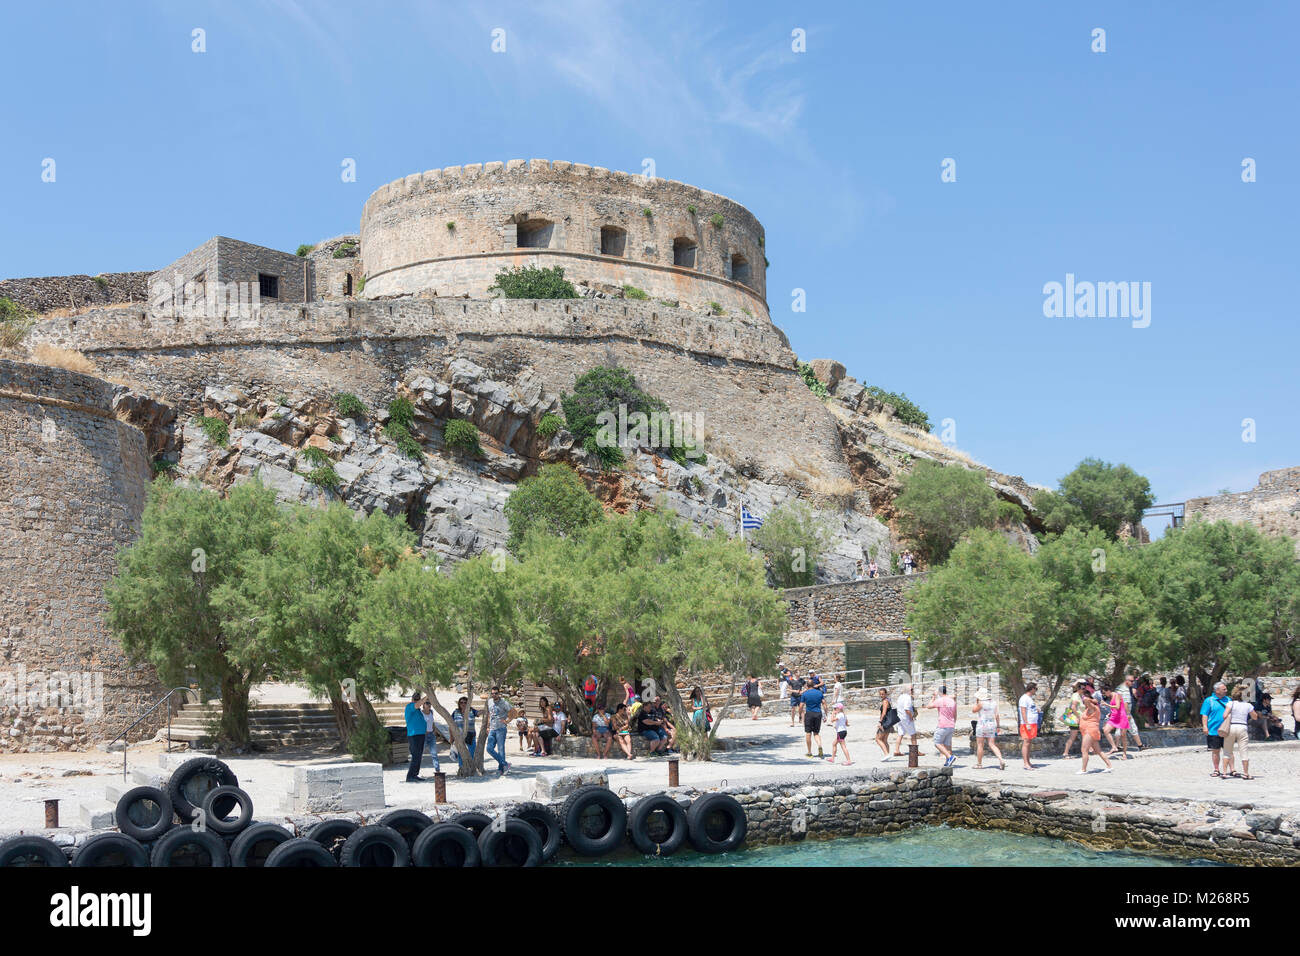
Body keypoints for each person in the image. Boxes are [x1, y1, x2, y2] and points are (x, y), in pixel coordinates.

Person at [1219, 688, 1256, 779]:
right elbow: (1254, 717)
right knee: (1244, 751)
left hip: (1231, 727)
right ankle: (1246, 773)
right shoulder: (1248, 705)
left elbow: (1224, 716)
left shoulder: (1230, 703)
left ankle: (1224, 772)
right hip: (1242, 727)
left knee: (1227, 751)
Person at [1077, 690, 1113, 775]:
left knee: (1084, 749)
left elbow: (1086, 699)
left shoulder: (1092, 707)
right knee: (1098, 750)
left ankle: (1083, 769)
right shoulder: (1089, 709)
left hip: (1090, 730)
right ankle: (1109, 765)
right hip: (1090, 730)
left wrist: (1091, 700)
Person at [1200, 682, 1231, 777]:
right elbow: (1205, 714)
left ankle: (1232, 769)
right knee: (1215, 751)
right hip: (1214, 730)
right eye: (1224, 689)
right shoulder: (1209, 700)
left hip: (1227, 729)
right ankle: (1216, 769)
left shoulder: (1228, 700)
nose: (1226, 691)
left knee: (1228, 751)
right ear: (1217, 690)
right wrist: (1205, 726)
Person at [972, 687, 1005, 770]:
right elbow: (997, 715)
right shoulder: (994, 703)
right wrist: (998, 726)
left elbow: (973, 710)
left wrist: (977, 702)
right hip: (991, 724)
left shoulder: (981, 703)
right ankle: (1001, 759)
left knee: (980, 745)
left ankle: (979, 764)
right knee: (992, 744)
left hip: (982, 725)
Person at [927, 684, 957, 767]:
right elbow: (955, 714)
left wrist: (933, 697)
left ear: (940, 692)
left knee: (937, 742)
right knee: (947, 744)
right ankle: (948, 762)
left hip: (943, 725)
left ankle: (950, 757)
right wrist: (954, 723)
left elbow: (928, 706)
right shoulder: (952, 701)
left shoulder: (940, 700)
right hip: (951, 724)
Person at [483, 686, 511, 776]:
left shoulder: (504, 702)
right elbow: (489, 714)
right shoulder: (489, 702)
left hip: (501, 728)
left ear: (499, 693)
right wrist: (487, 726)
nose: (494, 695)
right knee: (489, 748)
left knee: (501, 749)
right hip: (492, 728)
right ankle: (505, 764)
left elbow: (514, 712)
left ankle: (501, 769)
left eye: (496, 693)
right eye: (492, 693)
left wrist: (507, 721)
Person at [404, 691, 427, 783]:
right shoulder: (410, 706)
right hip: (414, 735)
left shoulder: (418, 710)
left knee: (418, 756)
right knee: (416, 755)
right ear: (412, 699)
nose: (417, 700)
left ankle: (415, 774)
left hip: (420, 735)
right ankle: (410, 776)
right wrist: (427, 697)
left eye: (418, 698)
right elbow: (418, 704)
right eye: (416, 699)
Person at [1118, 674, 1146, 749]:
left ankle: (1140, 745)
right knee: (1131, 728)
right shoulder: (1125, 691)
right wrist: (1127, 714)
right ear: (1126, 681)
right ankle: (1117, 746)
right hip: (1125, 713)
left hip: (1121, 712)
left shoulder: (1121, 688)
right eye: (1131, 681)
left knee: (1130, 728)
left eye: (1133, 681)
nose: (1133, 683)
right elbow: (1125, 703)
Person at [451, 696, 479, 768]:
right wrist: (451, 737)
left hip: (471, 735)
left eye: (465, 702)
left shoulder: (471, 710)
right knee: (461, 753)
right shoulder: (455, 712)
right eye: (461, 702)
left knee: (472, 752)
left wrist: (485, 710)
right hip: (459, 736)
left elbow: (478, 713)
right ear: (459, 704)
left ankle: (471, 767)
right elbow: (450, 724)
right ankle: (461, 767)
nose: (463, 704)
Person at [1104, 683, 1131, 759]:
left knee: (1123, 735)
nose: (1104, 694)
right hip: (1114, 717)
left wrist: (1107, 705)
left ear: (1108, 691)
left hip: (1121, 717)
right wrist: (1110, 713)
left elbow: (1117, 706)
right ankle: (1114, 747)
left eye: (1105, 692)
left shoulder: (1117, 695)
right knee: (1106, 730)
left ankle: (1124, 753)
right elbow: (1114, 708)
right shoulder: (1111, 696)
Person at [1018, 682, 1040, 770]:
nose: (1036, 691)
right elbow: (1023, 711)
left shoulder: (1029, 698)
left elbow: (1030, 709)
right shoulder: (1024, 698)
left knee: (1029, 742)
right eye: (1036, 689)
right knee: (1026, 742)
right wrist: (1026, 723)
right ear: (1032, 689)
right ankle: (1025, 763)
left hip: (1032, 723)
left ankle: (1028, 761)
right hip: (1027, 724)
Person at [1060, 680, 1084, 759]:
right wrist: (1078, 717)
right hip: (1076, 719)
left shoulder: (1080, 695)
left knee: (1085, 734)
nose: (1084, 690)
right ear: (1079, 689)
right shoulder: (1076, 695)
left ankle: (1088, 750)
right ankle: (1065, 753)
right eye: (1083, 688)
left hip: (1080, 718)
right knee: (1073, 736)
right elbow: (1073, 707)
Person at [802, 678, 826, 758]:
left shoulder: (805, 694)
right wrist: (825, 714)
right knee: (816, 733)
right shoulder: (819, 693)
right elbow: (824, 703)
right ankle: (819, 745)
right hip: (818, 714)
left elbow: (801, 705)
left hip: (809, 714)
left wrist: (799, 715)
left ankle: (809, 752)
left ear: (807, 685)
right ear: (813, 685)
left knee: (808, 733)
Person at [892, 684, 916, 757]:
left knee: (900, 734)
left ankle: (896, 750)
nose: (913, 691)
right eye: (911, 689)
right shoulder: (907, 697)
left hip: (900, 717)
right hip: (906, 718)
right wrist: (911, 717)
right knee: (913, 734)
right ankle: (915, 751)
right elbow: (906, 709)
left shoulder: (900, 697)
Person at [420, 697, 442, 774]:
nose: (429, 705)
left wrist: (434, 731)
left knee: (434, 753)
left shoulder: (431, 712)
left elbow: (432, 722)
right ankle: (416, 769)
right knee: (420, 752)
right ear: (423, 704)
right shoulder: (420, 713)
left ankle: (437, 769)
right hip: (424, 735)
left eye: (430, 703)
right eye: (427, 703)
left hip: (431, 734)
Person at [874, 687, 895, 759]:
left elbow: (884, 712)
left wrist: (880, 722)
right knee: (885, 740)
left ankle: (886, 754)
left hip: (885, 722)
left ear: (886, 694)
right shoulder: (888, 700)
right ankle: (888, 755)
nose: (881, 695)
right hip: (889, 722)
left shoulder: (885, 701)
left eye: (883, 694)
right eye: (880, 694)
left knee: (878, 739)